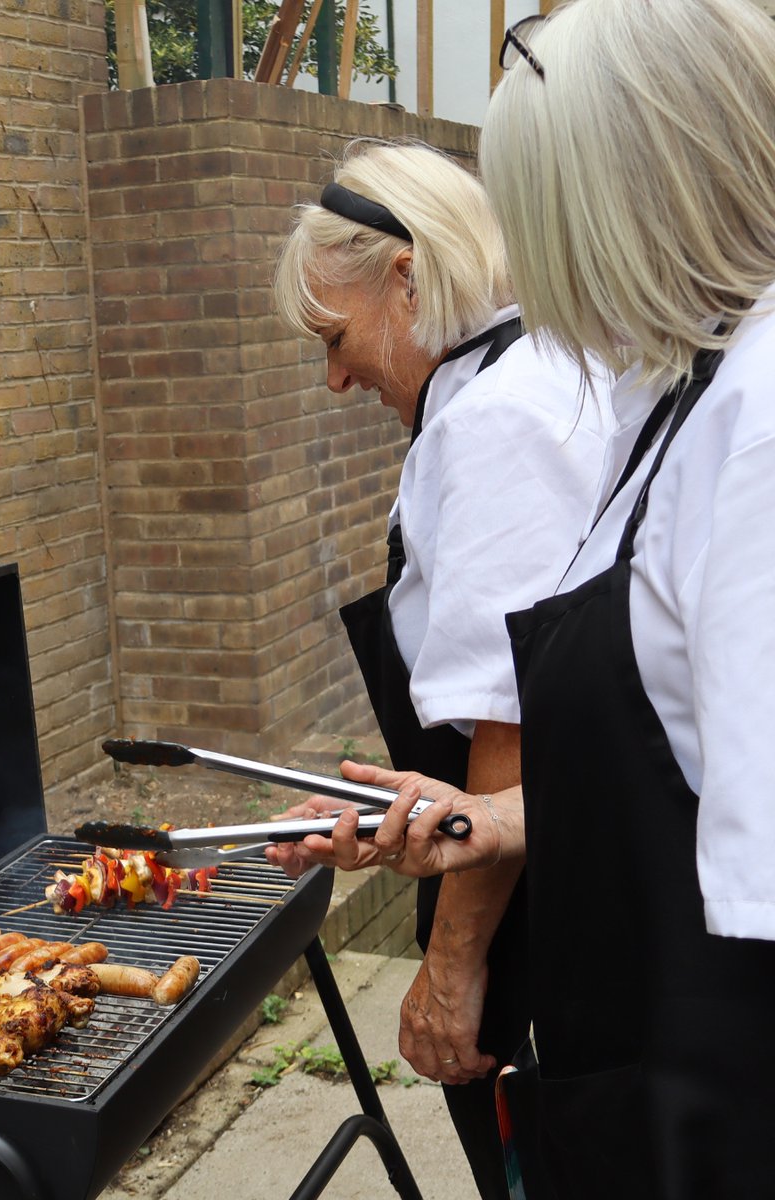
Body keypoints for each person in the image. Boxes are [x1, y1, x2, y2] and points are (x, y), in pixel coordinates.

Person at [287, 3, 775, 1197]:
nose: (535, 278)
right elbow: (685, 756)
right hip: (656, 1031)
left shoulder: (761, 421)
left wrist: (460, 959)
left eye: (542, 216)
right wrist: (489, 820)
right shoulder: (686, 396)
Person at [271, 139, 611, 1200]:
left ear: (407, 279)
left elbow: (508, 733)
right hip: (548, 878)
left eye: (335, 337)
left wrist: (454, 970)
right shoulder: (528, 379)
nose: (333, 377)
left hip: (532, 928)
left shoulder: (495, 423)